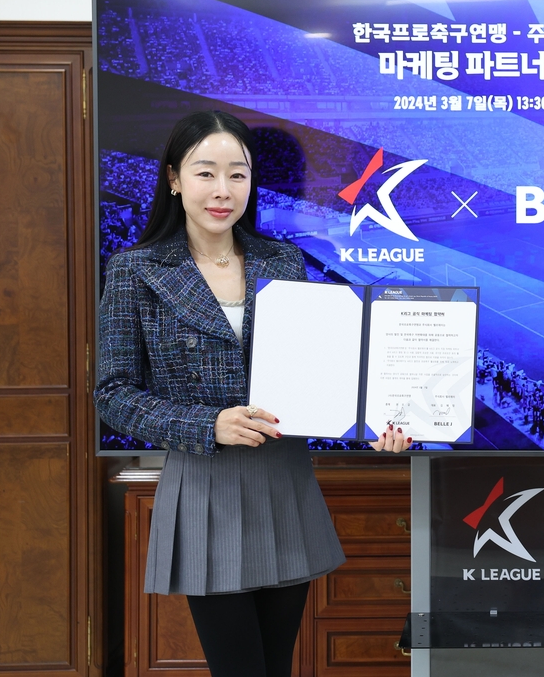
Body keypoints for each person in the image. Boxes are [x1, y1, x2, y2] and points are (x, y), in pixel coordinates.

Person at [95, 110, 408, 677]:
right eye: (205, 173)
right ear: (174, 179)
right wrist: (208, 424)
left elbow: (315, 371)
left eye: (237, 174)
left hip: (284, 483)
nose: (223, 190)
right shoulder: (135, 270)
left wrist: (370, 421)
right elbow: (113, 395)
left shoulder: (281, 260)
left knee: (275, 666)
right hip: (205, 487)